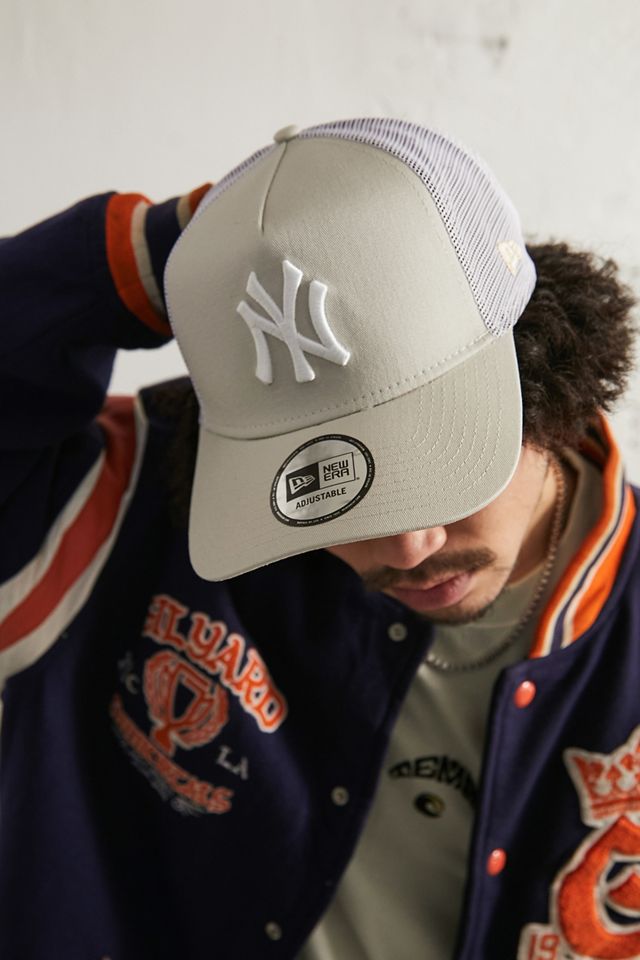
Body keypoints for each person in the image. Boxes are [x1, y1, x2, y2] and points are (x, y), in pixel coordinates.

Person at [0, 117, 637, 960]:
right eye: (328, 494)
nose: (407, 547)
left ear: (546, 367)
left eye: (441, 464)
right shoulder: (134, 502)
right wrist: (163, 258)